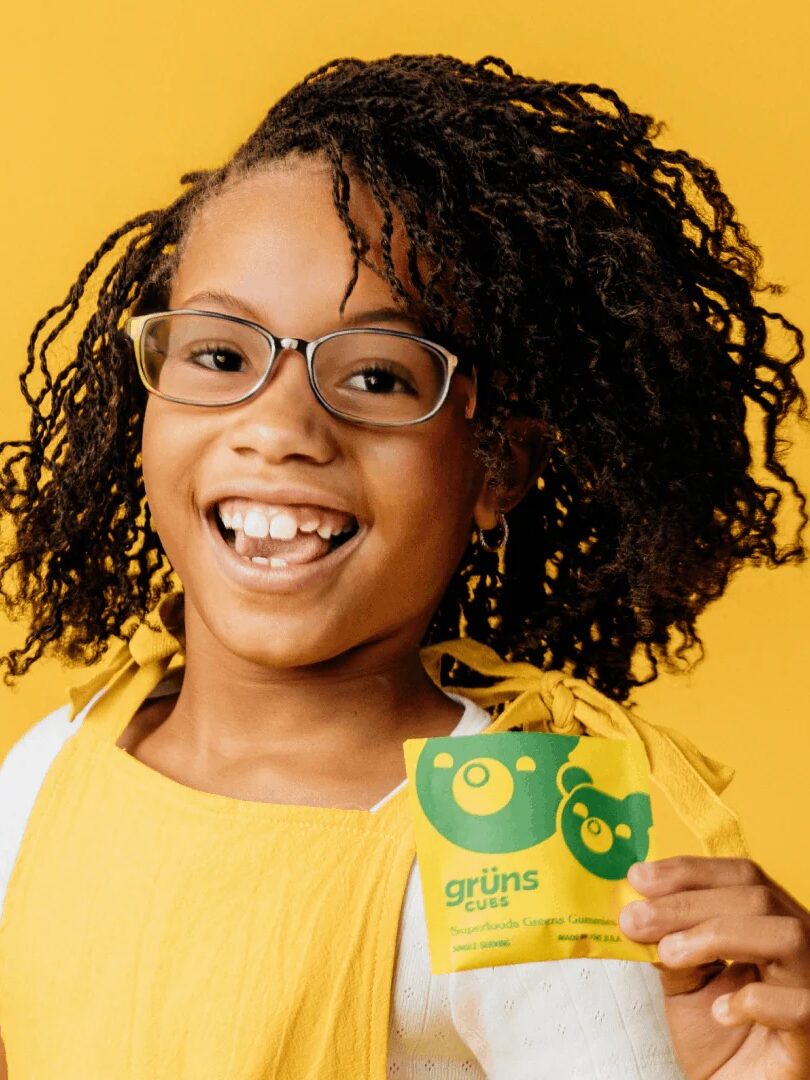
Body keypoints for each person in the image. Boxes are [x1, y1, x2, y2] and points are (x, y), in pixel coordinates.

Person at [0, 52, 808, 1079]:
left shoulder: (515, 826)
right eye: (219, 355)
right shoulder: (52, 764)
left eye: (378, 374)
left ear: (497, 467)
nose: (279, 427)